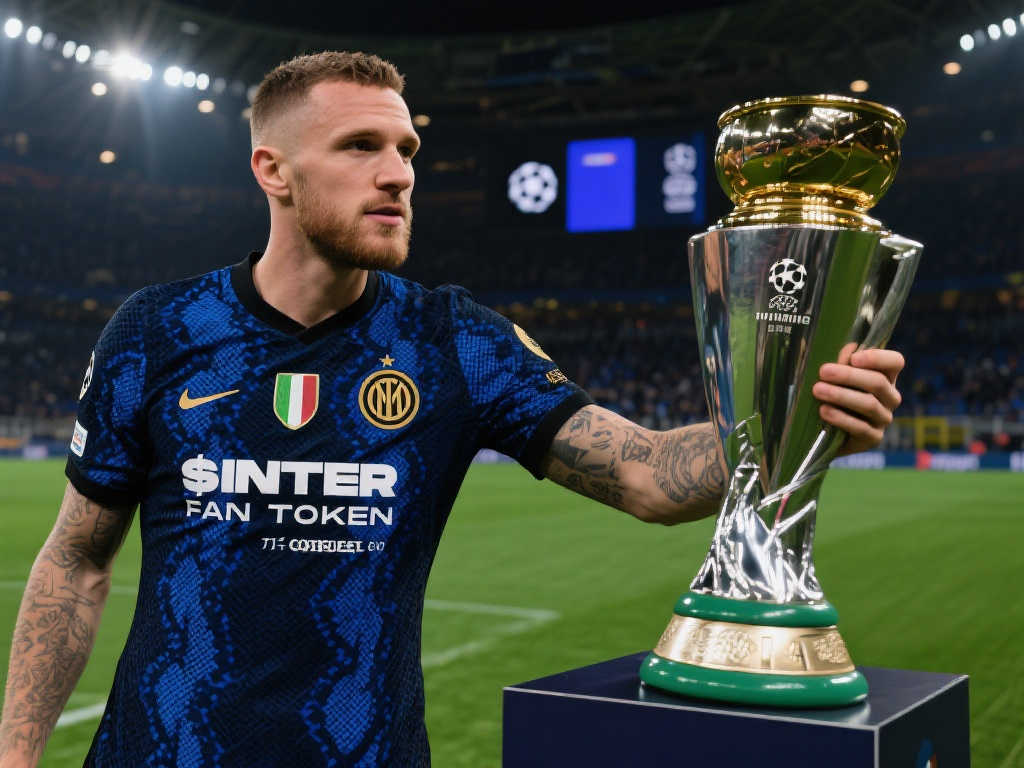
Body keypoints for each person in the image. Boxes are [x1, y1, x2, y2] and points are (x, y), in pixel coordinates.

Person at [0, 51, 905, 768]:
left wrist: (796, 422)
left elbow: (646, 477)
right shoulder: (158, 331)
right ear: (272, 170)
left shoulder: (454, 340)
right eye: (361, 146)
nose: (398, 174)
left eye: (407, 151)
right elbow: (74, 564)